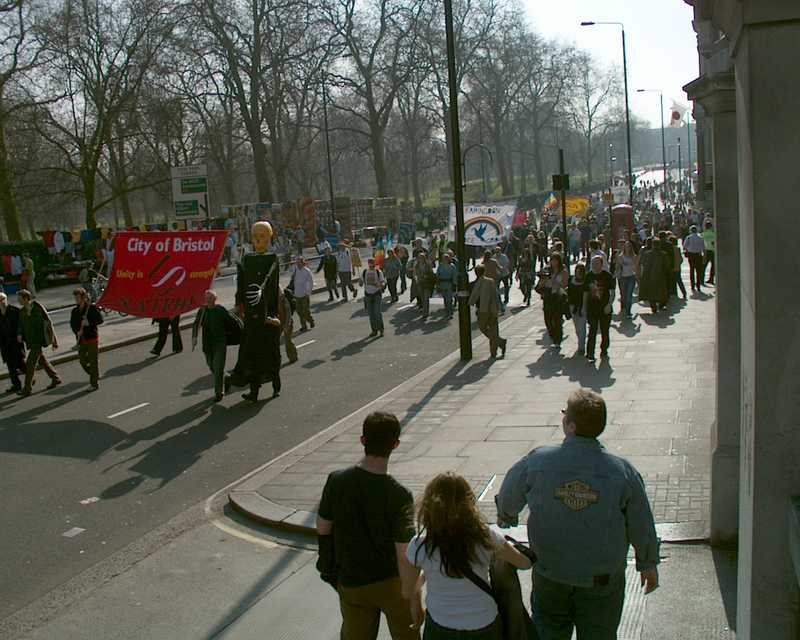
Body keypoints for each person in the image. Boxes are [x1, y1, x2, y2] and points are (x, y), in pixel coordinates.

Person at [496, 388, 660, 640]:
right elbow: (640, 521)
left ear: (570, 426)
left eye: (565, 414)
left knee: (548, 631)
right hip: (601, 579)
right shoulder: (622, 472)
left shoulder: (538, 461)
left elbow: (508, 495)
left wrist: (506, 516)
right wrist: (647, 563)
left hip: (551, 573)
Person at [316, 412, 419, 640]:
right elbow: (404, 553)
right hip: (391, 582)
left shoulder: (337, 481)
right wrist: (411, 593)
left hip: (352, 582)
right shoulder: (399, 494)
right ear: (395, 444)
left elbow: (323, 528)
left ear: (363, 440)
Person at [400, 473, 532, 639]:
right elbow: (524, 563)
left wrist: (425, 576)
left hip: (441, 624)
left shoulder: (420, 545)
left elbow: (407, 591)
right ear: (469, 503)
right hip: (483, 623)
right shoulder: (485, 537)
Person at [225, 221, 282, 402]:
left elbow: (271, 285)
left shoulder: (272, 259)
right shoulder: (247, 259)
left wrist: (269, 310)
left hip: (266, 316)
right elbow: (241, 284)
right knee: (252, 357)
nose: (258, 239)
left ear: (270, 237)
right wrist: (238, 303)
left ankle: (275, 385)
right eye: (255, 235)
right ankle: (254, 391)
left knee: (270, 354)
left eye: (263, 235)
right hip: (251, 318)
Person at [192, 289, 237, 402]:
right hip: (207, 345)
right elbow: (196, 324)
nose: (208, 300)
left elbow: (231, 323)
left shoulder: (220, 310)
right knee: (211, 365)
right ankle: (226, 378)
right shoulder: (202, 311)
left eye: (210, 298)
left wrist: (229, 336)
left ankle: (219, 393)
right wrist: (194, 337)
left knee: (218, 367)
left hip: (220, 344)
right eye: (206, 298)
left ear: (215, 299)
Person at [17, 289, 60, 396]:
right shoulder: (22, 312)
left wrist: (54, 340)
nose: (18, 300)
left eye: (20, 298)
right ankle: (55, 378)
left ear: (26, 298)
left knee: (30, 364)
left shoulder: (37, 307)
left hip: (39, 340)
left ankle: (27, 389)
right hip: (31, 341)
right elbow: (20, 325)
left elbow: (49, 323)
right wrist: (19, 334)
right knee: (42, 361)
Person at [468, 265, 507, 358]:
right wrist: (500, 307)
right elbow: (496, 294)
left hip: (484, 309)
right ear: (484, 272)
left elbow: (472, 297)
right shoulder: (489, 281)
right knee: (493, 330)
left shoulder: (475, 284)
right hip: (490, 309)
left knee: (483, 327)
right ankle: (499, 343)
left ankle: (495, 349)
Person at [69, 287, 104, 391]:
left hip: (92, 338)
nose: (76, 299)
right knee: (82, 360)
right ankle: (95, 373)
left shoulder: (91, 308)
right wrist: (77, 331)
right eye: (75, 297)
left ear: (83, 297)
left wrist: (89, 323)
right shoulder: (75, 311)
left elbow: (100, 320)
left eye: (78, 297)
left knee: (93, 362)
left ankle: (94, 384)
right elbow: (72, 324)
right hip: (81, 340)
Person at [585, 255, 615, 361]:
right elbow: (585, 293)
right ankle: (590, 353)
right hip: (592, 308)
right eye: (593, 263)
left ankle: (604, 349)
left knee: (604, 330)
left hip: (604, 308)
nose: (594, 266)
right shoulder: (588, 276)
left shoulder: (607, 276)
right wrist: (584, 308)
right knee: (592, 330)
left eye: (597, 263)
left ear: (602, 265)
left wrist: (609, 305)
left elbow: (612, 293)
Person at [538, 253, 568, 348]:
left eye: (555, 260)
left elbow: (565, 285)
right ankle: (553, 335)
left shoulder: (563, 271)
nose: (553, 262)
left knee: (557, 319)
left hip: (558, 297)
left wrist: (555, 282)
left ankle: (557, 340)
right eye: (552, 260)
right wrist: (543, 280)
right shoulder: (547, 270)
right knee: (548, 320)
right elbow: (540, 284)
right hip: (548, 297)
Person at [0, 292, 25, 393]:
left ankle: (30, 378)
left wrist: (20, 335)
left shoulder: (14, 310)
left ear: (6, 299)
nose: (1, 302)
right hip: (4, 344)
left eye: (3, 299)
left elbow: (21, 325)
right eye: (0, 300)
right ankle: (16, 384)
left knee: (20, 363)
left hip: (15, 342)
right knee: (10, 366)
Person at [639, 238, 670, 314]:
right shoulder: (663, 254)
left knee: (651, 293)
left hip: (649, 275)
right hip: (660, 275)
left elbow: (643, 263)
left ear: (652, 245)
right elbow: (667, 265)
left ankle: (653, 307)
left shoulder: (647, 254)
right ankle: (660, 305)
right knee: (661, 291)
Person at [568, 263, 588, 357]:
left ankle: (581, 347)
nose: (578, 273)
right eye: (577, 271)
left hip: (582, 307)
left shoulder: (585, 282)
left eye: (580, 272)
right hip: (573, 307)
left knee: (582, 327)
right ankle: (581, 341)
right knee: (577, 328)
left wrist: (584, 307)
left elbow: (585, 295)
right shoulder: (571, 280)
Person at [362, 257, 386, 337]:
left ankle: (381, 329)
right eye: (369, 262)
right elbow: (361, 283)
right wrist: (360, 282)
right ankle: (374, 330)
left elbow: (383, 282)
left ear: (374, 263)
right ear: (368, 263)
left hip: (376, 294)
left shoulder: (378, 271)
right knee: (371, 314)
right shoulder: (365, 272)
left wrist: (380, 285)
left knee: (377, 313)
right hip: (368, 295)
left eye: (372, 262)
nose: (371, 264)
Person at [614, 241, 638, 317]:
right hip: (623, 278)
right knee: (624, 295)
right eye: (627, 246)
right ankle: (623, 306)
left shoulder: (634, 256)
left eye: (629, 246)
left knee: (629, 295)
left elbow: (636, 267)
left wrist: (637, 276)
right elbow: (617, 267)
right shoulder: (620, 256)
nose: (628, 248)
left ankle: (628, 312)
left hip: (631, 277)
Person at [292, 256, 315, 332]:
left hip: (304, 294)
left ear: (302, 262)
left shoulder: (307, 271)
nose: (297, 264)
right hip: (297, 294)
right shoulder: (295, 270)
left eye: (299, 262)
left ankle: (311, 320)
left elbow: (311, 282)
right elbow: (293, 280)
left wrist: (308, 292)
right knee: (299, 311)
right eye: (296, 262)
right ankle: (303, 325)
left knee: (305, 311)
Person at [278, 287, 298, 364]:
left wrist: (287, 324)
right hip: (278, 323)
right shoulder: (273, 300)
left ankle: (293, 357)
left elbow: (288, 313)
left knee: (288, 341)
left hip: (287, 322)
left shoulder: (284, 300)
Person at [682, 225, 705, 291]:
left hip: (691, 255)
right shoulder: (700, 238)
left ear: (690, 230)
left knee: (691, 270)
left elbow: (684, 247)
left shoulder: (688, 238)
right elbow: (703, 248)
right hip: (698, 255)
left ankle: (692, 286)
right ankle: (698, 285)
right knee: (698, 271)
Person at [413, 252, 434, 320]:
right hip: (420, 283)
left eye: (422, 258)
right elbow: (415, 274)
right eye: (419, 258)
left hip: (427, 283)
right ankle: (425, 311)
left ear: (424, 258)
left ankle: (425, 313)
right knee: (422, 298)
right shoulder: (416, 265)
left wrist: (427, 275)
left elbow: (431, 273)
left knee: (426, 299)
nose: (420, 259)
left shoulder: (428, 265)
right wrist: (416, 280)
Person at [435, 253, 457, 319]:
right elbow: (437, 275)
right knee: (445, 299)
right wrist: (437, 284)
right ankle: (446, 312)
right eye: (444, 258)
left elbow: (454, 276)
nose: (445, 259)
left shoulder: (452, 266)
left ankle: (450, 313)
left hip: (449, 284)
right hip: (442, 284)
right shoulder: (440, 266)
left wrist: (455, 285)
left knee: (449, 300)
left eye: (446, 258)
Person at [701, 220, 715, 284]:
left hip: (706, 252)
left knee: (703, 266)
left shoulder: (702, 234)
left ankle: (701, 279)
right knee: (713, 266)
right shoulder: (714, 234)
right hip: (713, 251)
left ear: (705, 227)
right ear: (711, 227)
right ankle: (711, 279)